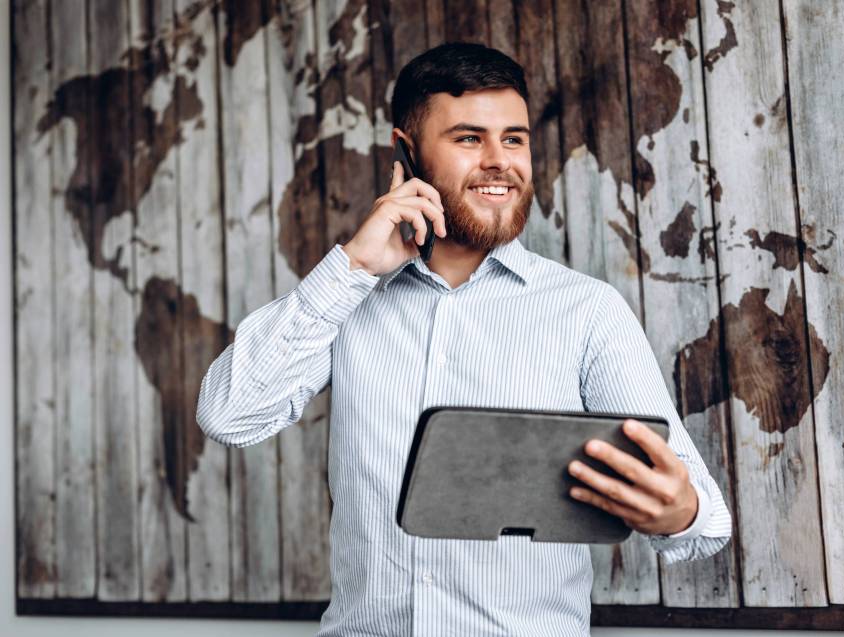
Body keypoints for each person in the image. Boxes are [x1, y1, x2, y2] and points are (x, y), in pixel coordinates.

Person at [197, 41, 731, 637]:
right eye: (469, 138)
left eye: (514, 138)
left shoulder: (586, 311)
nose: (500, 161)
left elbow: (706, 520)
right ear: (406, 152)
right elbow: (230, 415)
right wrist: (351, 267)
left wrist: (677, 511)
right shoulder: (347, 299)